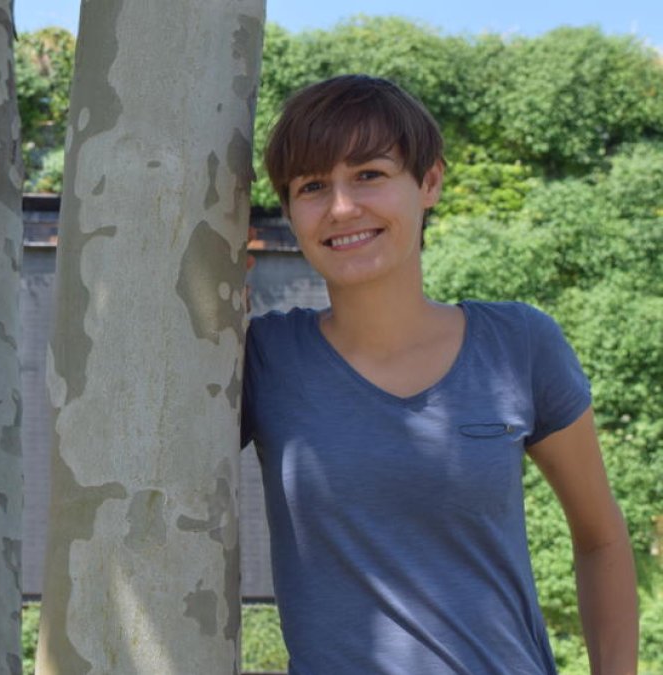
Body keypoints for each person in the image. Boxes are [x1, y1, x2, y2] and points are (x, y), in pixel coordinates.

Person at [241, 74, 638, 673]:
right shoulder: (265, 357)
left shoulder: (520, 345)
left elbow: (602, 537)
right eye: (312, 185)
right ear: (291, 211)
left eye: (369, 174)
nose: (342, 206)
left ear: (429, 182)